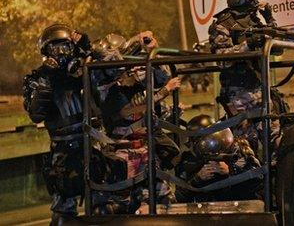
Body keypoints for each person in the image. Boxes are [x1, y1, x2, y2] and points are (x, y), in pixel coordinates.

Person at [91, 31, 181, 213]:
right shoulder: (103, 85)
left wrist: (151, 51)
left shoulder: (134, 79)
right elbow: (126, 109)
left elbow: (163, 78)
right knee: (119, 205)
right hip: (123, 151)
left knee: (162, 199)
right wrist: (163, 92)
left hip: (145, 148)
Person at [208, 0, 288, 153]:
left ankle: (276, 176)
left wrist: (270, 19)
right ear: (243, 0)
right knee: (244, 144)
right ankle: (253, 179)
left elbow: (276, 46)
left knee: (275, 138)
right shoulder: (223, 24)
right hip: (237, 92)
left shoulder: (254, 20)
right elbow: (221, 58)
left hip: (259, 88)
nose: (256, 3)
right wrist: (248, 45)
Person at [22, 24, 94, 224]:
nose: (62, 53)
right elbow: (36, 114)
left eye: (66, 47)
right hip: (63, 150)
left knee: (102, 203)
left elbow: (105, 80)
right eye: (56, 48)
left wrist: (88, 51)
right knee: (64, 209)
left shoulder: (80, 73)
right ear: (47, 51)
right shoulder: (37, 78)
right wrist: (46, 77)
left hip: (89, 143)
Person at [175, 115, 261, 203]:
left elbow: (257, 181)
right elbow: (180, 197)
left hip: (241, 208)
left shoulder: (239, 150)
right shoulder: (189, 160)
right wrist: (197, 179)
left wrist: (231, 171)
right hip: (206, 211)